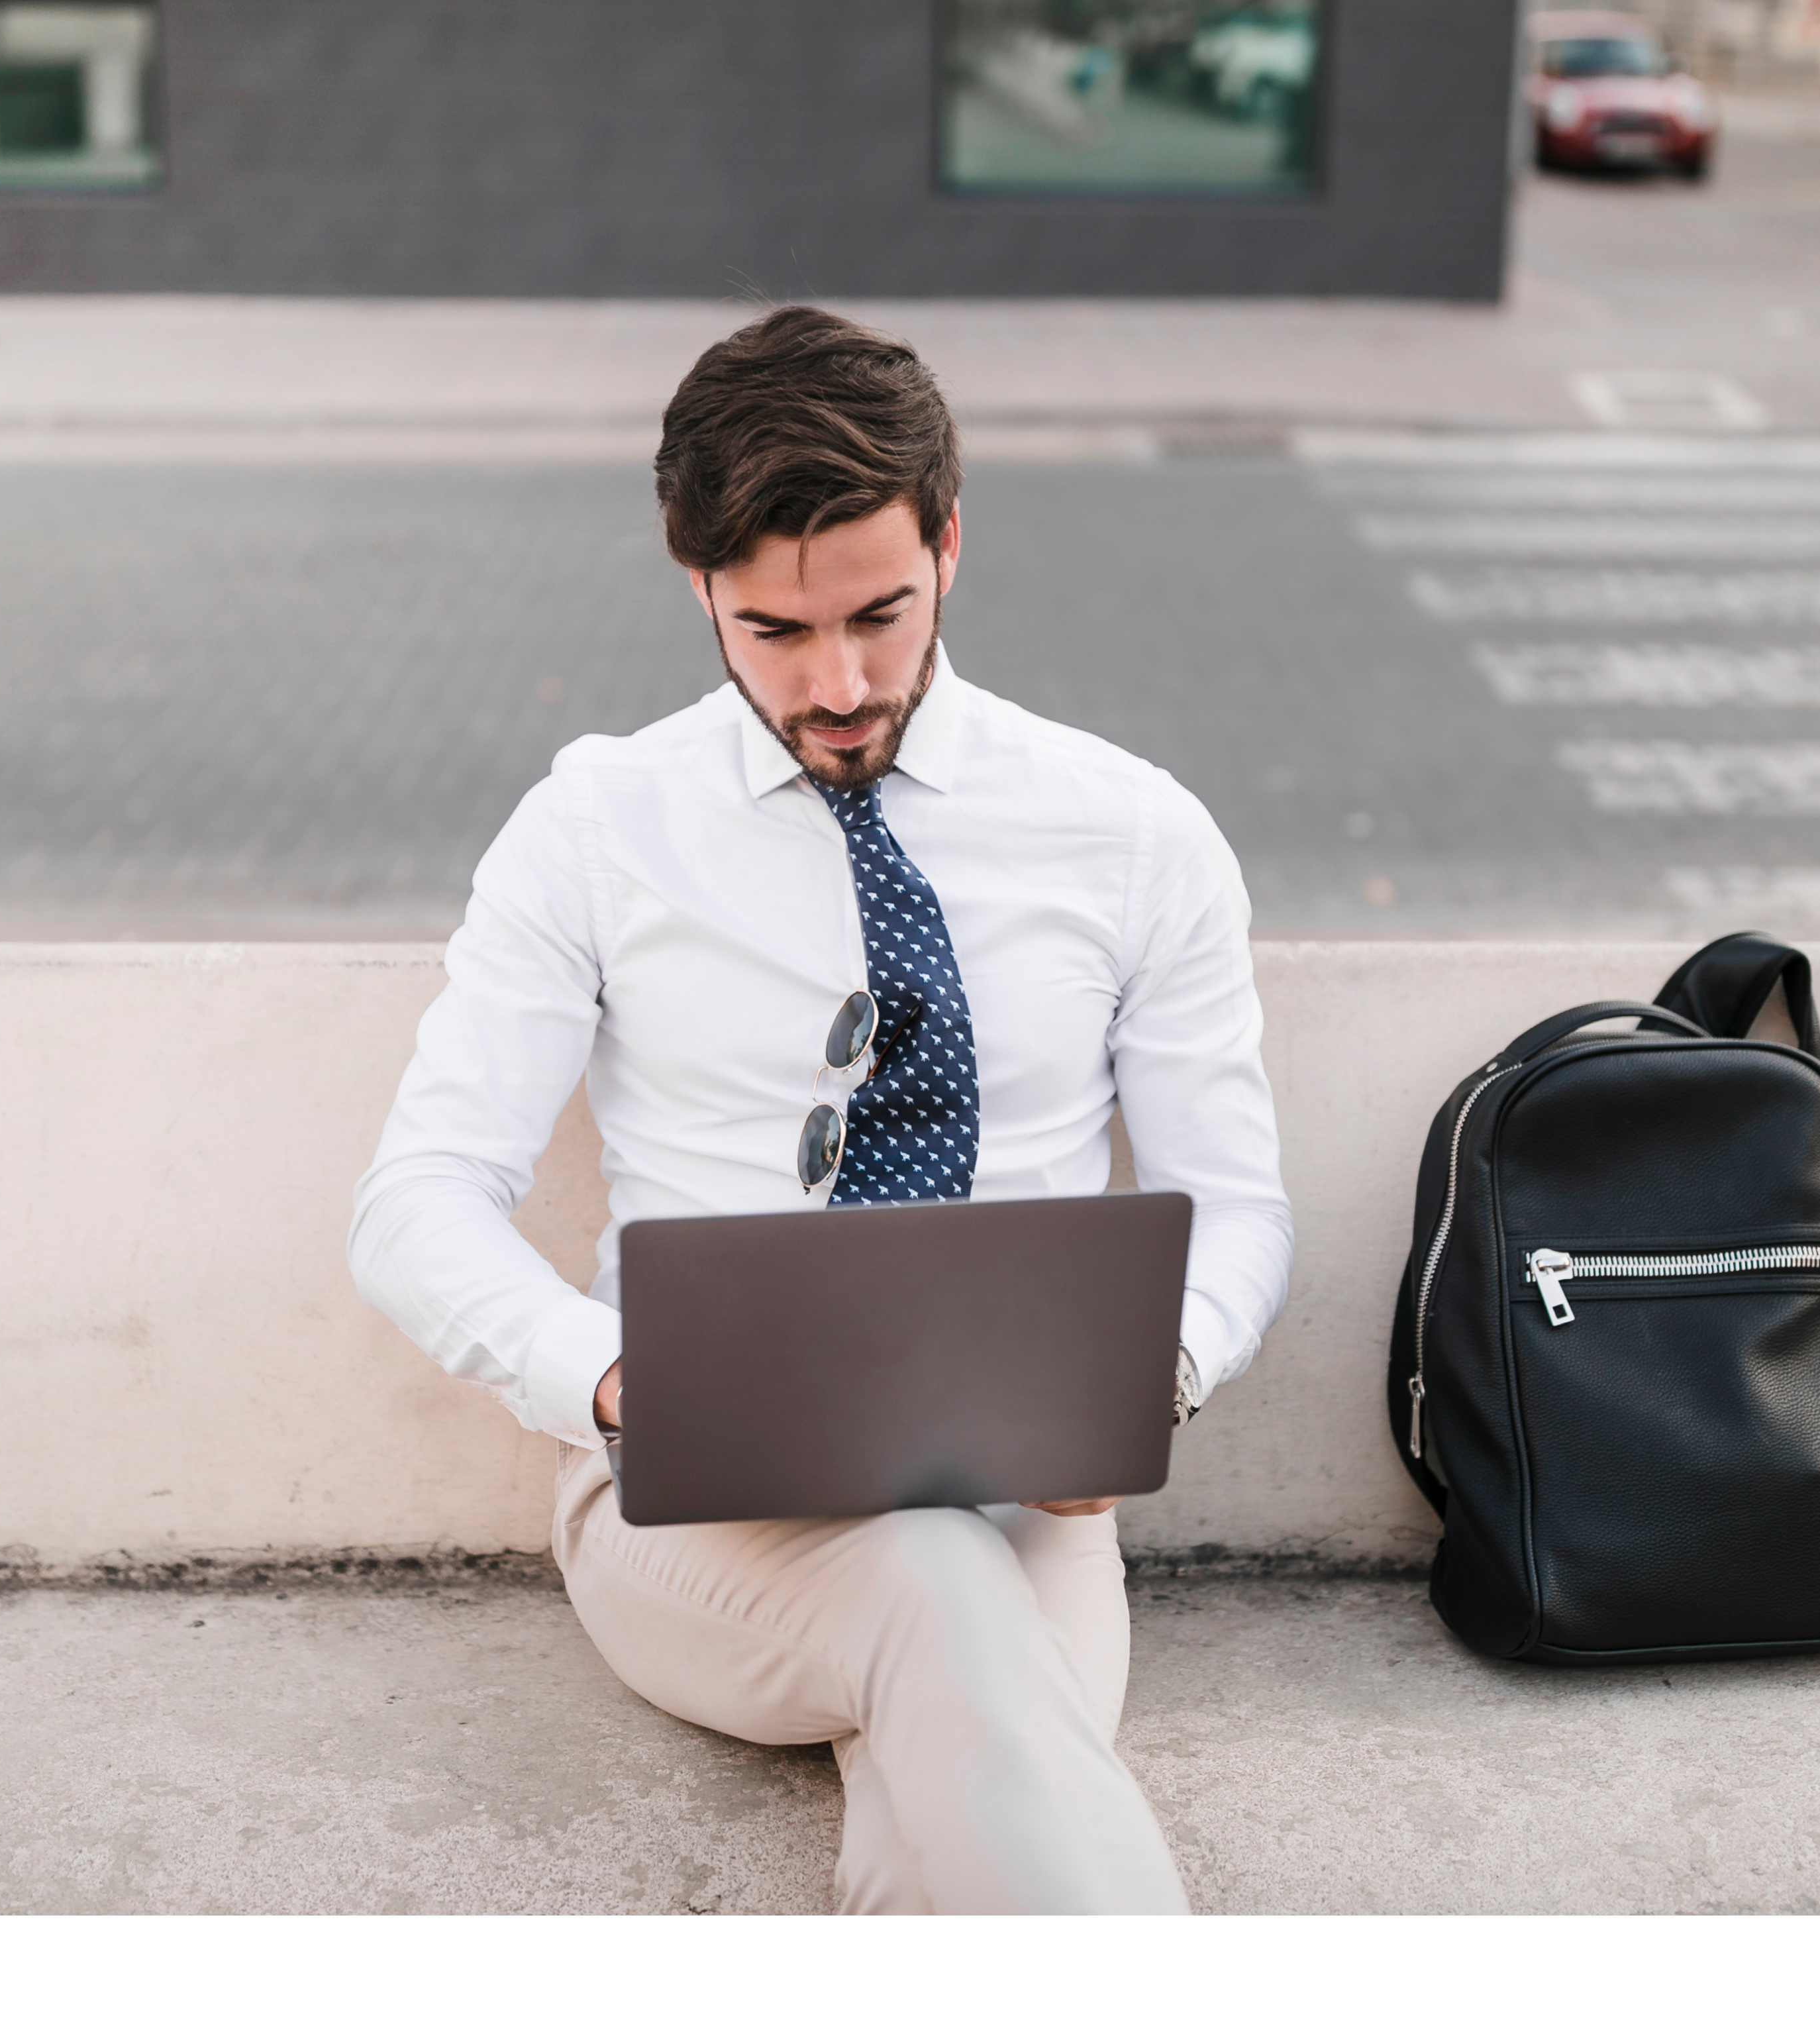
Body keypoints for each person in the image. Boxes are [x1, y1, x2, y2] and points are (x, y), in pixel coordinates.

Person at [350, 305, 1293, 1914]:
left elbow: (1240, 1202)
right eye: (774, 632)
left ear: (946, 541)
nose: (839, 684)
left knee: (972, 1795)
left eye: (880, 615)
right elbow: (416, 1201)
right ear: (693, 577)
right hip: (687, 1503)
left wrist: (1152, 1381)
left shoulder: (1132, 833)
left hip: (1027, 1504)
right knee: (966, 1660)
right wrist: (621, 1381)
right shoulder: (596, 825)